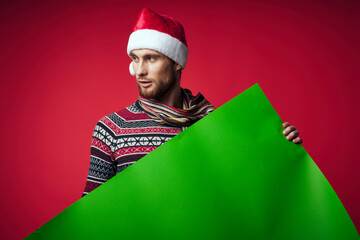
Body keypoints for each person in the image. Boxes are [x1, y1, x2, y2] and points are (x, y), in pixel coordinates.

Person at [82, 8, 302, 197]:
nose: (139, 71)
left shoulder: (215, 123)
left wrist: (282, 149)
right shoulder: (111, 129)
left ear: (177, 62)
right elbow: (90, 215)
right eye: (135, 59)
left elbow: (249, 190)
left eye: (151, 58)